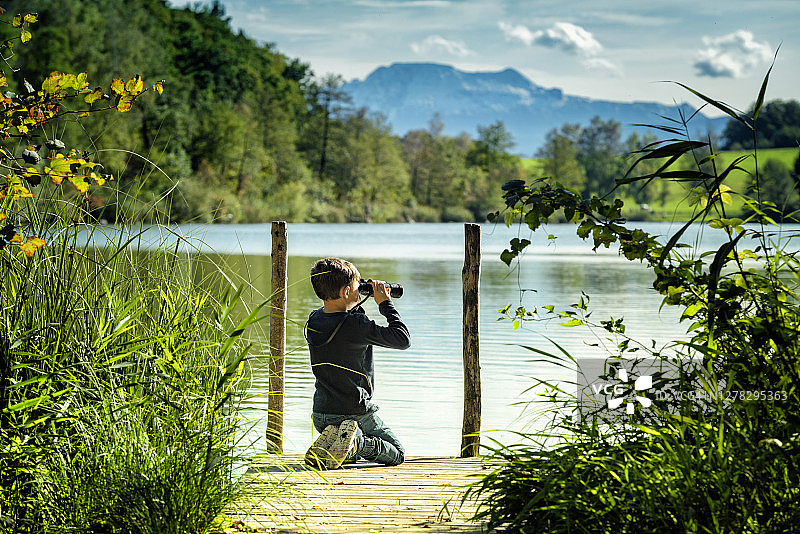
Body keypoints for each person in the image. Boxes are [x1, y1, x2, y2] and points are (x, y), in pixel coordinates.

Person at [304, 257, 410, 469]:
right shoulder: (357, 325)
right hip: (354, 413)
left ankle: (334, 444)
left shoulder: (314, 319)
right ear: (345, 292)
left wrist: (356, 296)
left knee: (344, 453)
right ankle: (358, 443)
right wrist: (385, 303)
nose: (361, 290)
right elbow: (402, 339)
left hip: (322, 415)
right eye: (357, 286)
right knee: (397, 453)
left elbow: (344, 322)